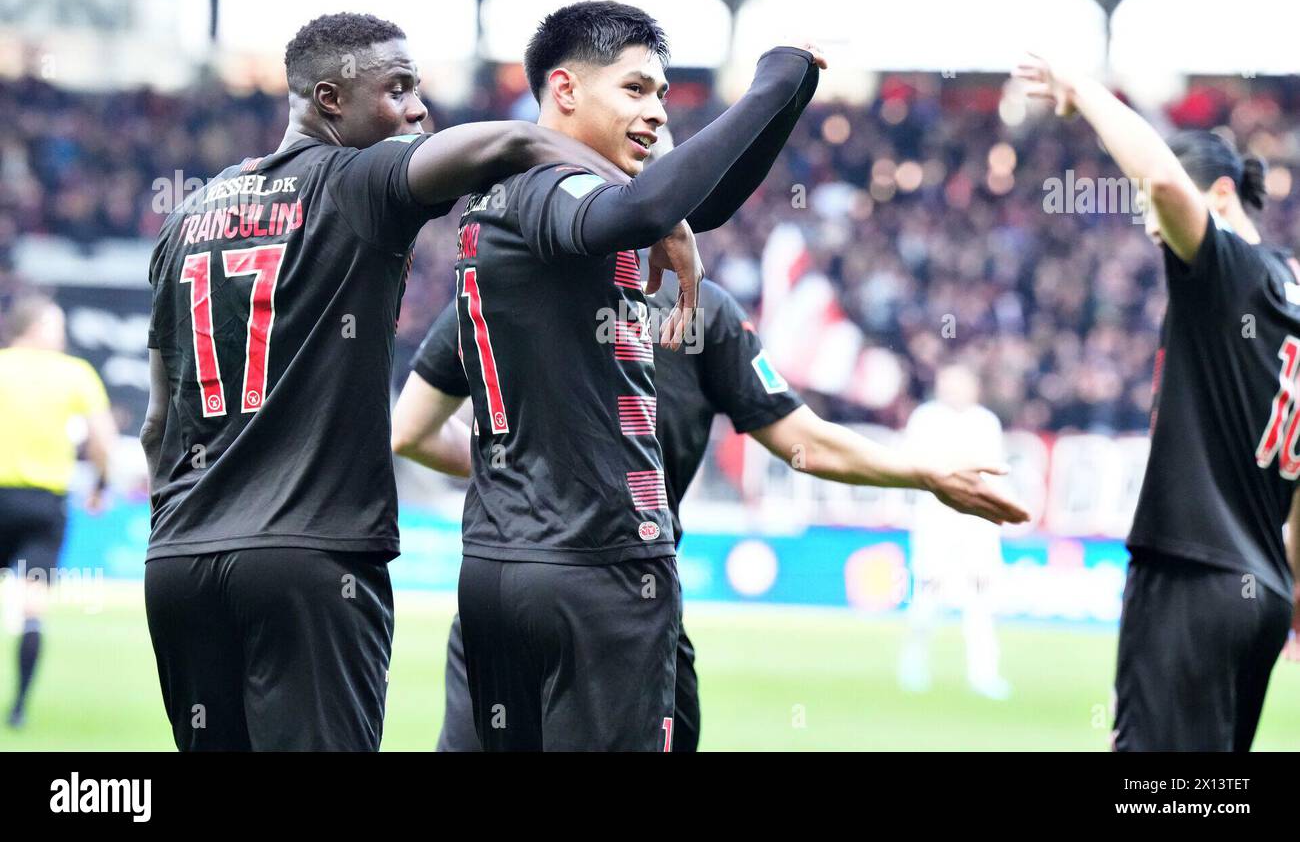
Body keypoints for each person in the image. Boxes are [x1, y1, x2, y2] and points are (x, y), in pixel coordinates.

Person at [140, 11, 669, 752]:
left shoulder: (184, 219)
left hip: (175, 566)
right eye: (397, 90)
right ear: (330, 100)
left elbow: (155, 426)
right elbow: (512, 141)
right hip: (308, 557)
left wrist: (187, 523)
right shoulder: (353, 182)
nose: (418, 109)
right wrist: (648, 209)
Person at [395, 276, 1027, 751]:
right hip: (627, 600)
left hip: (505, 585)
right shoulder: (699, 314)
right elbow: (803, 442)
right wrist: (922, 474)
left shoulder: (499, 286)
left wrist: (521, 467)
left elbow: (413, 432)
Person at [449, 0, 824, 750]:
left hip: (501, 562)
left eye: (661, 95)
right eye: (635, 90)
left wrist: (789, 91)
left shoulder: (509, 194)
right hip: (598, 566)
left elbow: (695, 201)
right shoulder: (553, 191)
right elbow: (649, 207)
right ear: (564, 90)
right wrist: (774, 75)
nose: (655, 112)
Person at [1018, 53, 1298, 751]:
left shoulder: (1232, 273)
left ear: (1225, 197)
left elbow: (1167, 185)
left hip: (1194, 575)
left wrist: (1084, 90)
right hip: (1265, 594)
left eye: (1147, 211)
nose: (1150, 227)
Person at [0, 295, 116, 728]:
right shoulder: (74, 374)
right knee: (33, 607)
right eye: (56, 325)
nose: (62, 334)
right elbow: (102, 439)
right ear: (32, 327)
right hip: (43, 506)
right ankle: (17, 709)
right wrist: (101, 485)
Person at [898, 363, 1012, 700]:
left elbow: (994, 472)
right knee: (926, 595)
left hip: (976, 523)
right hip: (936, 520)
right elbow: (914, 465)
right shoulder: (926, 418)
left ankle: (984, 674)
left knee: (982, 600)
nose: (956, 391)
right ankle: (914, 664)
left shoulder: (985, 422)